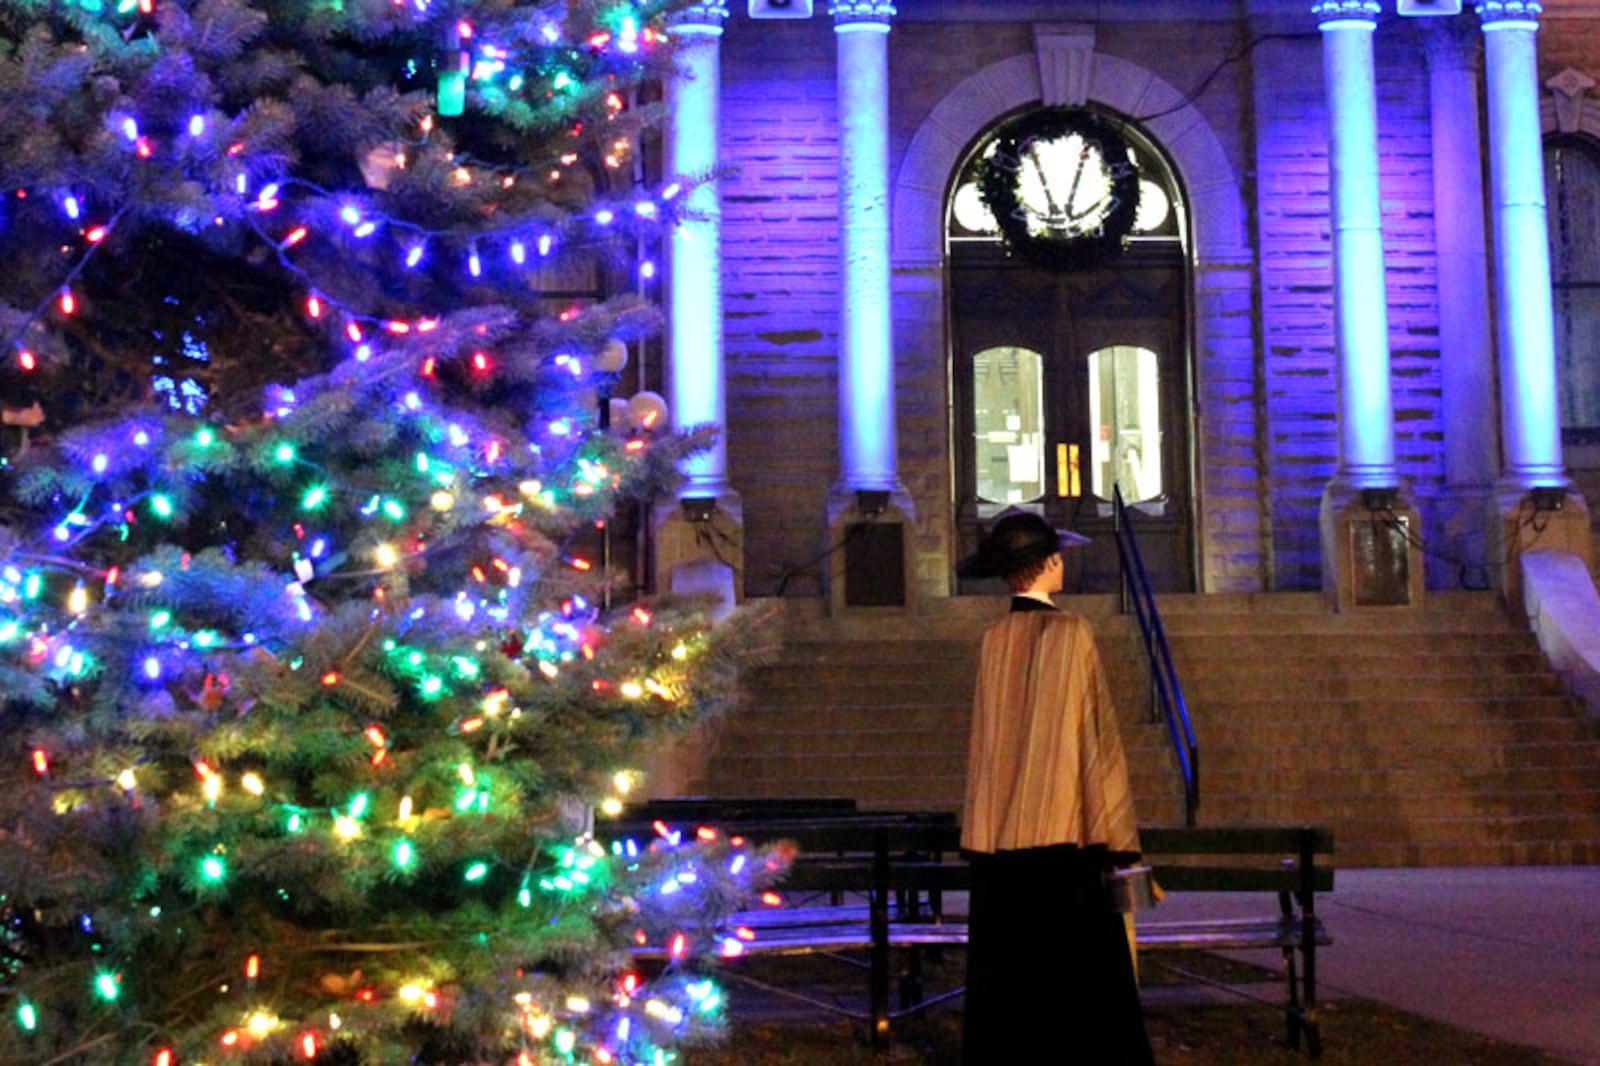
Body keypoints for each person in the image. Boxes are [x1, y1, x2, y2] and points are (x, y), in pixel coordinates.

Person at [957, 510, 1154, 1064]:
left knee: (1011, 972)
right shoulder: (1072, 635)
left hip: (1002, 844)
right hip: (1066, 839)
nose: (1063, 564)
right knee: (1076, 974)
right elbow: (1097, 735)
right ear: (1042, 566)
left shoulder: (994, 640)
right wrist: (1116, 831)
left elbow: (989, 745)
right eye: (1056, 557)